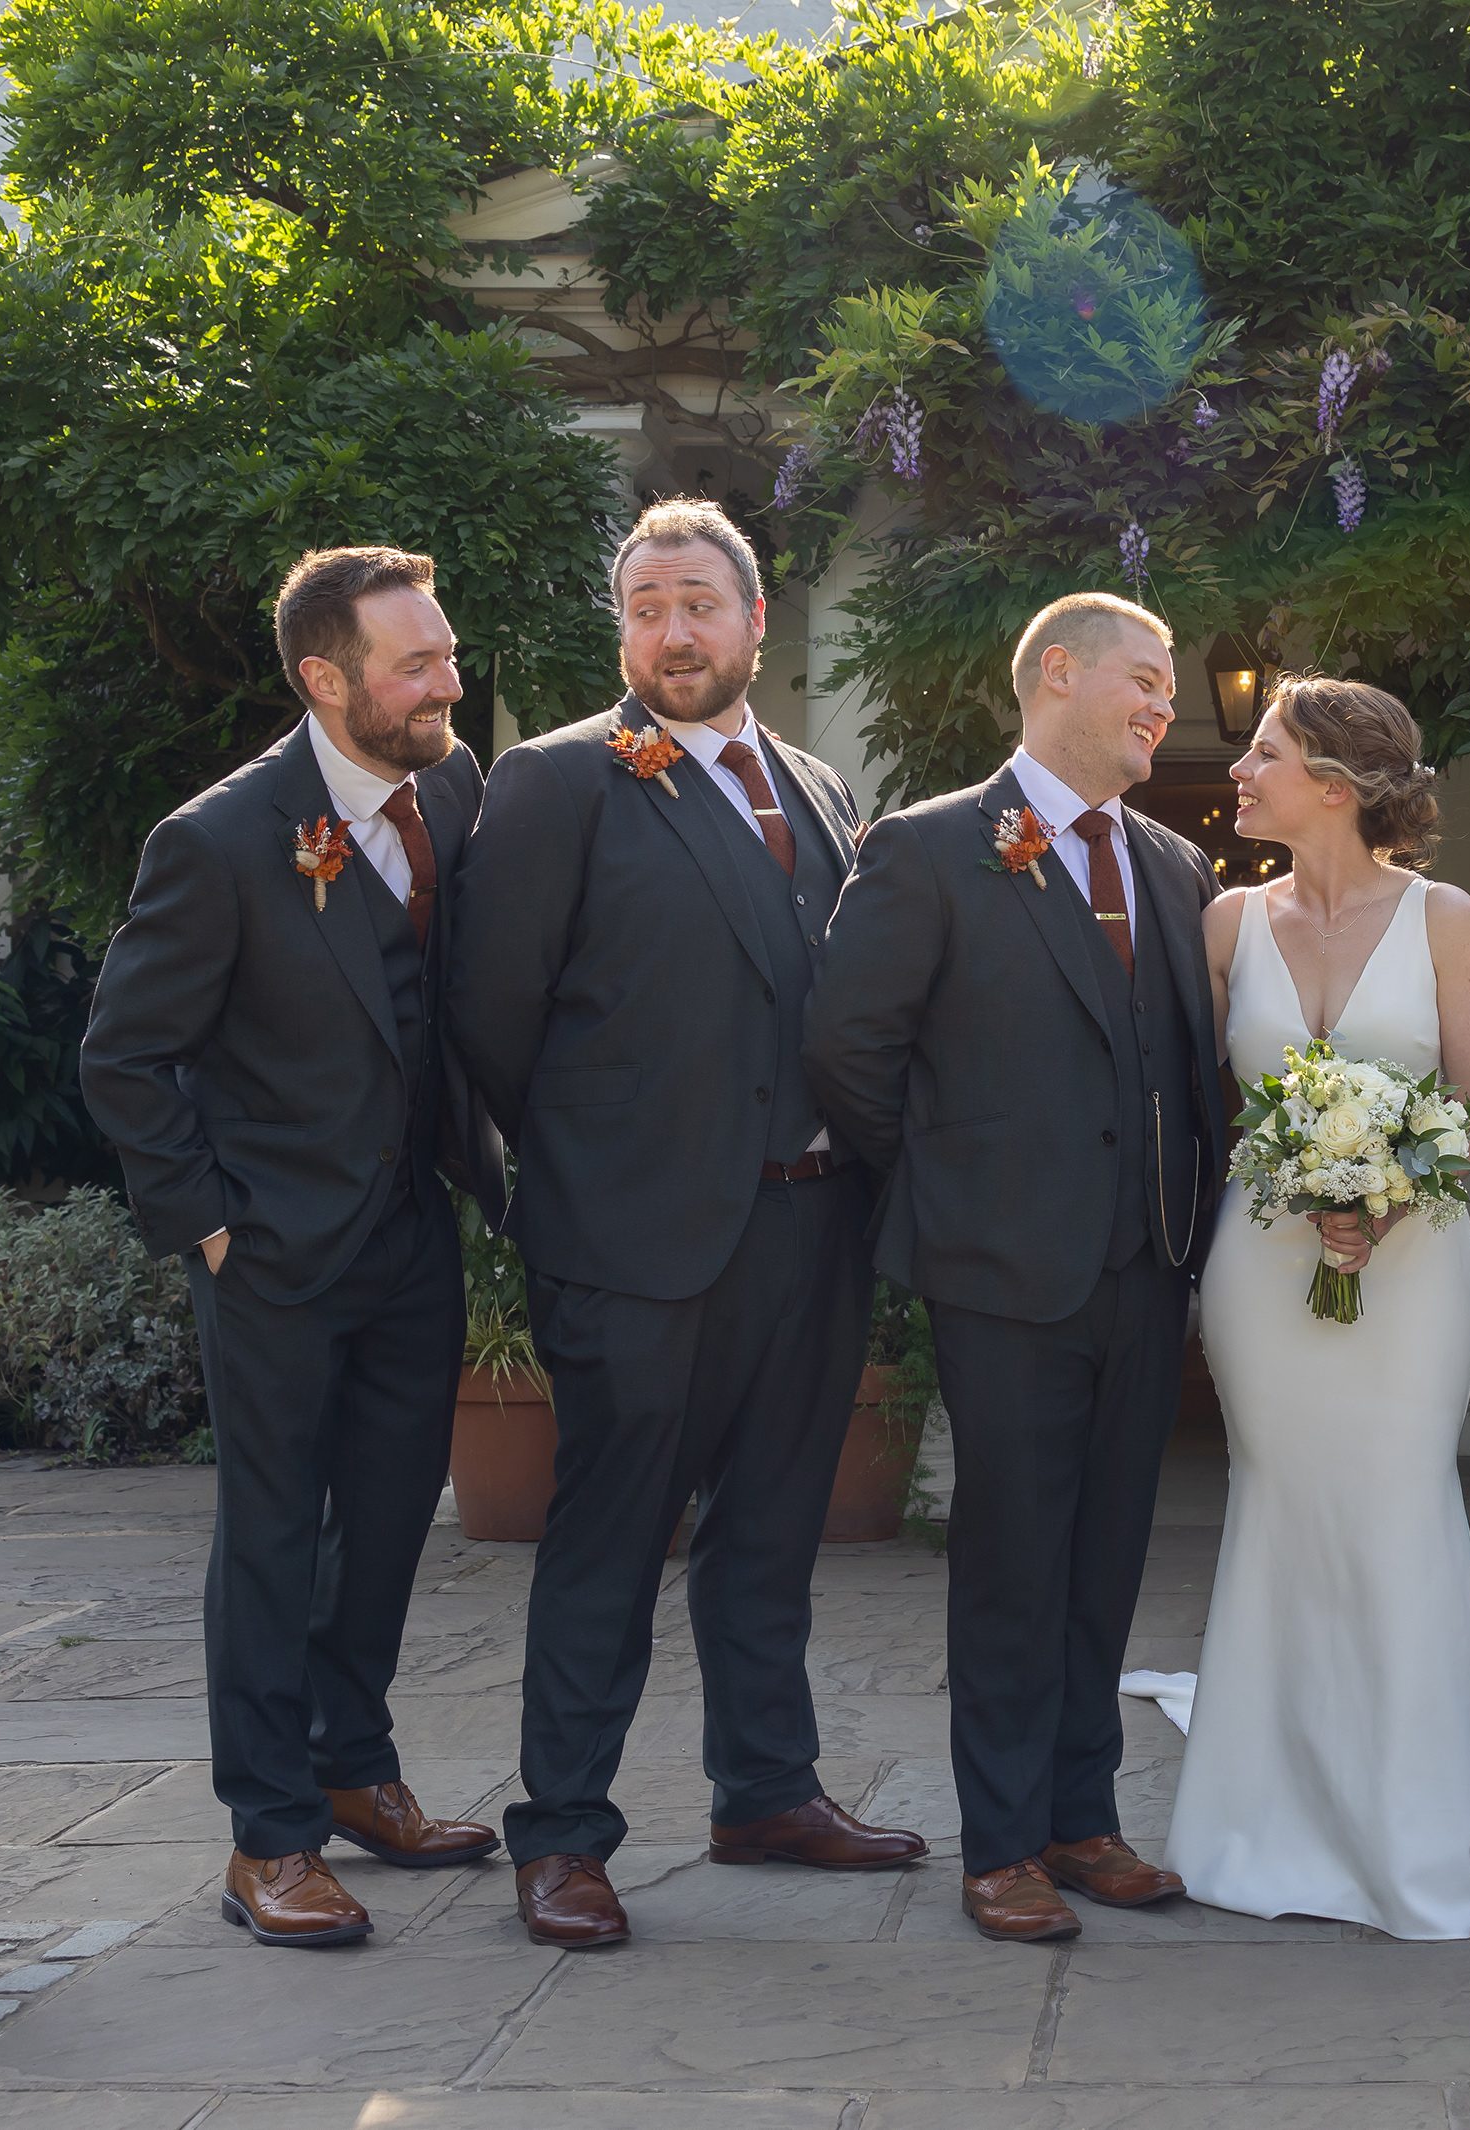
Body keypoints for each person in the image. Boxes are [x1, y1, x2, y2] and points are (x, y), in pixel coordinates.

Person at [447, 498, 925, 1952]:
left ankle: (767, 1788)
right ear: (623, 629)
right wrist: (591, 1178)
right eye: (646, 605)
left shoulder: (825, 788)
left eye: (699, 602)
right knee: (608, 1535)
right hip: (632, 1242)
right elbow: (488, 1017)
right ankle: (566, 1835)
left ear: (755, 622)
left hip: (808, 1228)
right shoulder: (556, 781)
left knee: (775, 1529)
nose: (672, 630)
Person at [81, 545, 507, 1948]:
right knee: (270, 1536)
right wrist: (204, 1222)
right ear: (328, 681)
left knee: (389, 1518)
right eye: (418, 664)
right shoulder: (216, 839)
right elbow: (127, 1055)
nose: (449, 680)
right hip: (267, 1248)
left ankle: (351, 1763)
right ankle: (267, 1836)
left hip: (408, 1230)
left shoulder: (448, 784)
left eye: (445, 652)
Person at [803, 592, 1230, 1944]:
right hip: (999, 1270)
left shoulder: (1173, 865)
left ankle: (1082, 1818)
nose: (1169, 705)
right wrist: (951, 1187)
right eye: (1147, 679)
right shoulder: (929, 848)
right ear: (1059, 672)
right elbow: (849, 1046)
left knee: (1108, 1554)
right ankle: (1000, 1844)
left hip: (1145, 1265)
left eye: (1171, 688)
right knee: (1009, 1556)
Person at [1163, 677, 1470, 1938]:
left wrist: (1389, 1195)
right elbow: (1184, 1094)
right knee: (1279, 1506)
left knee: (1393, 1507)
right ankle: (1262, 1822)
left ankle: (1417, 1833)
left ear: (1333, 783)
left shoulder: (1443, 916)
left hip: (1413, 1259)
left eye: (1261, 753)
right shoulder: (1225, 921)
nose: (1239, 769)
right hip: (1264, 1264)